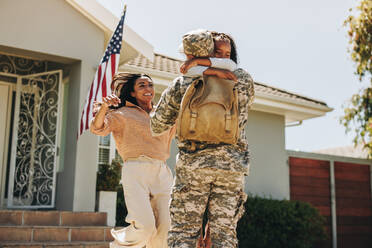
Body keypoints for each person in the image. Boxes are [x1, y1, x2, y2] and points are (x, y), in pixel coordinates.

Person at [150, 30, 255, 248]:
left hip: (193, 167)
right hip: (231, 167)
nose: (224, 57)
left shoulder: (183, 82)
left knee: (183, 233)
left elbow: (157, 125)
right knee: (224, 235)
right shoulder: (243, 80)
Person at [90, 72, 175, 248]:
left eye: (150, 85)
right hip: (136, 170)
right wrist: (105, 107)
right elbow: (97, 128)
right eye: (141, 85)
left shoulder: (163, 115)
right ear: (133, 93)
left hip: (162, 172)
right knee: (145, 227)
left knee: (166, 230)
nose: (147, 88)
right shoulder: (122, 114)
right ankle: (119, 246)